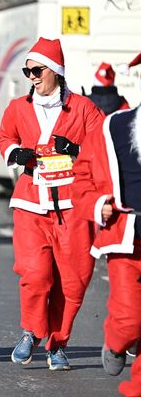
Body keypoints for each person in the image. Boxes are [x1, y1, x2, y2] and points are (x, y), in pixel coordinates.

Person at [0, 37, 105, 370]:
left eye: (37, 70)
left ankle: (58, 344)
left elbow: (103, 148)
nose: (31, 76)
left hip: (73, 207)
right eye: (27, 71)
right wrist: (15, 153)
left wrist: (74, 150)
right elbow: (4, 136)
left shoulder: (84, 109)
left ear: (55, 71)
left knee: (73, 280)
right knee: (35, 274)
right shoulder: (18, 107)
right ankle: (31, 331)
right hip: (31, 203)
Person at [72, 99, 141, 397]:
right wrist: (97, 205)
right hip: (128, 241)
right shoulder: (114, 126)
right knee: (130, 318)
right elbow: (81, 178)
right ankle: (117, 340)